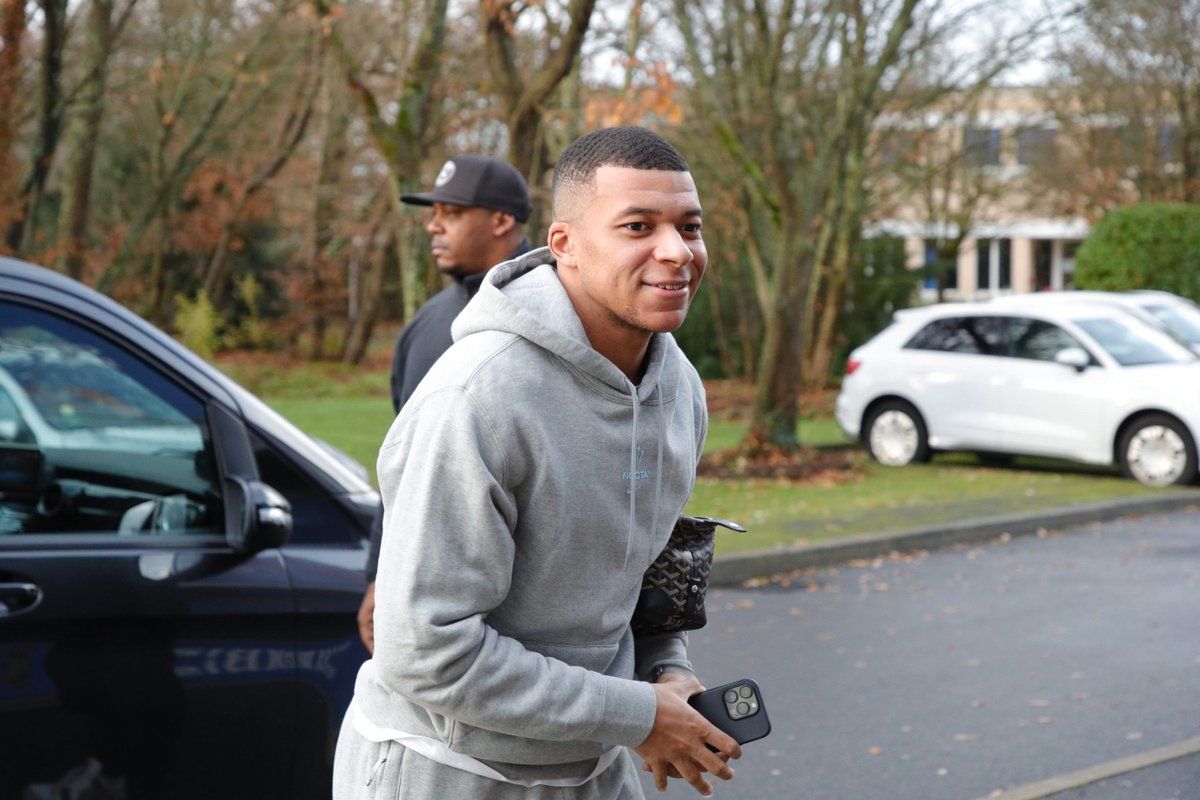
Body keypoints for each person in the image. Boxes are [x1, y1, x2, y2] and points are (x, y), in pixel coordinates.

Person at [334, 126, 741, 800]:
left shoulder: (679, 390)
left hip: (593, 764)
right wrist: (638, 716)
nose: (675, 251)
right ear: (565, 246)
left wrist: (665, 673)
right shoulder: (476, 398)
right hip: (449, 769)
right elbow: (424, 651)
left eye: (689, 227)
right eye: (638, 226)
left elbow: (643, 567)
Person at [357, 155, 533, 653]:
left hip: (536, 604)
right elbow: (401, 462)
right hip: (435, 607)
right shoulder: (428, 325)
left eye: (451, 213)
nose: (433, 225)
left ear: (501, 220)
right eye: (434, 212)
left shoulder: (561, 311)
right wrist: (378, 574)